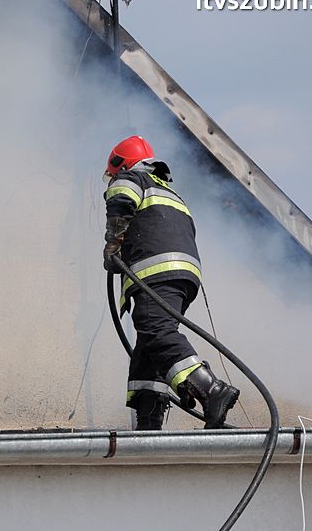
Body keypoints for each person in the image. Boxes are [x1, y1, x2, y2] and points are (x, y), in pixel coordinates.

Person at [102, 135, 239, 430]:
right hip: (184, 276)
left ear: (120, 164)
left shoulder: (130, 178)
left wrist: (113, 247)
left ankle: (210, 389)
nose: (113, 180)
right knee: (149, 347)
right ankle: (148, 421)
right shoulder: (171, 194)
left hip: (156, 272)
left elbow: (120, 203)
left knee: (155, 328)